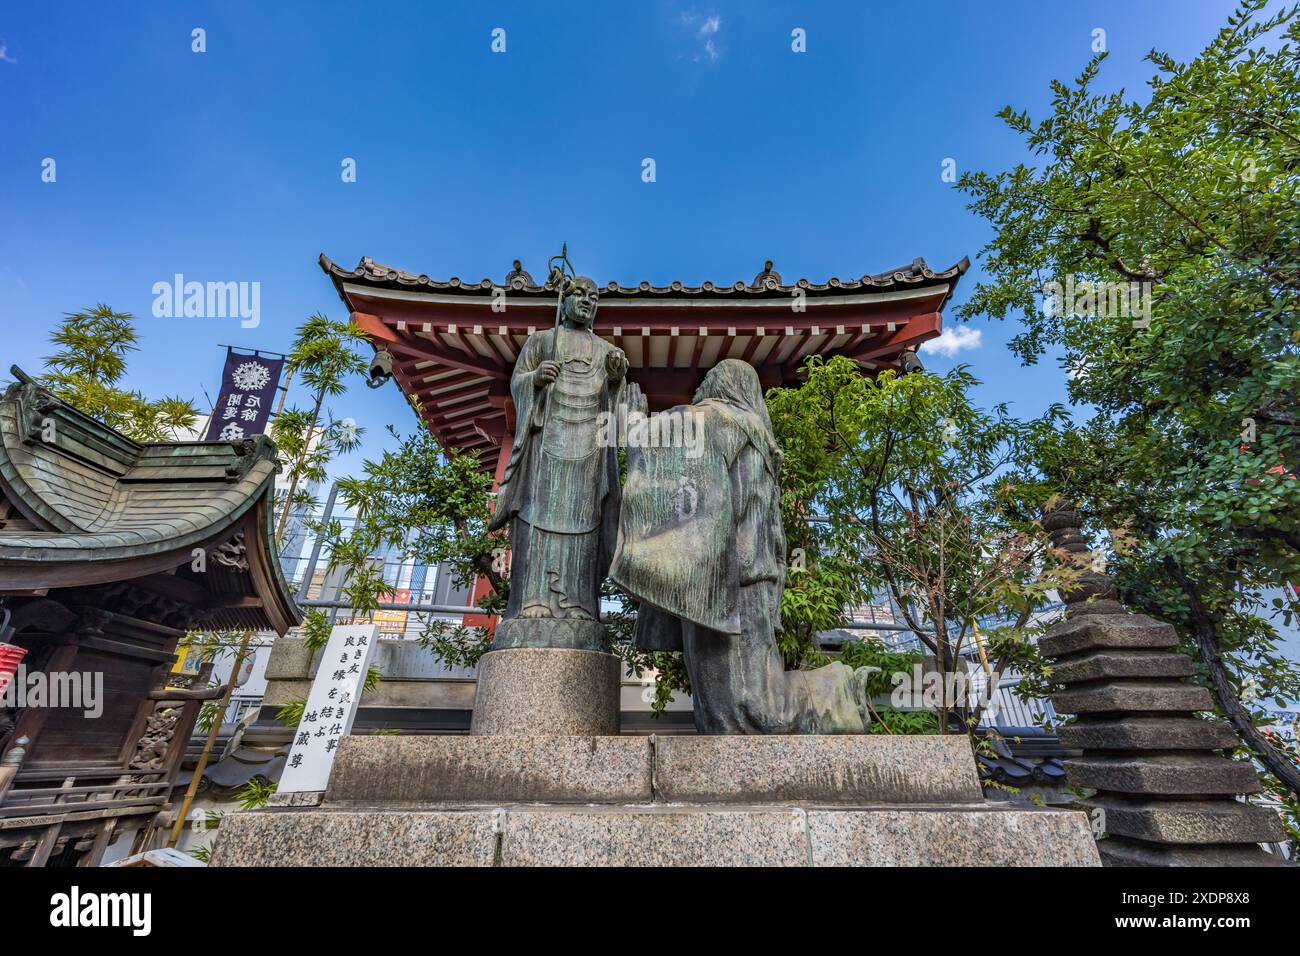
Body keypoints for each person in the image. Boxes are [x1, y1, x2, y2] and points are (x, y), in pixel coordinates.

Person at [611, 359, 867, 733]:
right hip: (751, 579)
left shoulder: (721, 419)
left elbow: (667, 439)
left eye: (707, 381)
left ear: (724, 384)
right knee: (729, 702)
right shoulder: (758, 437)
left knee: (744, 704)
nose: (699, 391)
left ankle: (837, 693)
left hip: (729, 581)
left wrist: (632, 419)